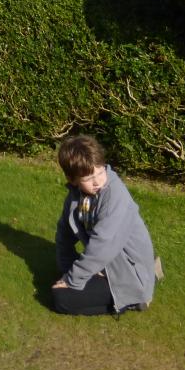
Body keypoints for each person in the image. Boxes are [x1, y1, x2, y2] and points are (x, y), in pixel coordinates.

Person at [51, 134, 158, 315]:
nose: (98, 181)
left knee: (61, 299)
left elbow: (101, 246)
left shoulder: (115, 196)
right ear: (72, 180)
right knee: (58, 281)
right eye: (88, 178)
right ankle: (97, 279)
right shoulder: (76, 195)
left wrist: (71, 280)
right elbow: (64, 233)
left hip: (128, 273)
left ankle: (135, 299)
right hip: (106, 264)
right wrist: (66, 268)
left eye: (100, 172)